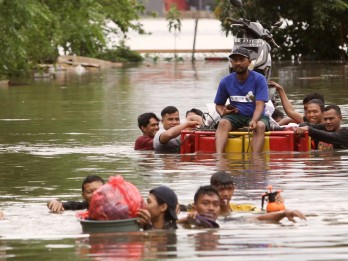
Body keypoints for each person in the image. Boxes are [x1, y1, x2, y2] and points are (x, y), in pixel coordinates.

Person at [214, 47, 270, 153]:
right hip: (236, 116)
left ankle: (255, 159)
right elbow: (219, 104)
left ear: (249, 62)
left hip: (257, 116)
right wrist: (223, 112)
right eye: (235, 60)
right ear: (232, 63)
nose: (238, 63)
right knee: (223, 123)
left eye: (241, 59)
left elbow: (260, 105)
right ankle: (219, 157)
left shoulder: (259, 79)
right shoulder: (225, 81)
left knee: (260, 125)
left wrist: (254, 120)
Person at [179, 185, 306, 228]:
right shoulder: (186, 222)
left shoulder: (227, 222)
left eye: (215, 204)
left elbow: (259, 219)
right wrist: (187, 220)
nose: (211, 208)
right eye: (205, 203)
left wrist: (284, 213)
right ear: (195, 207)